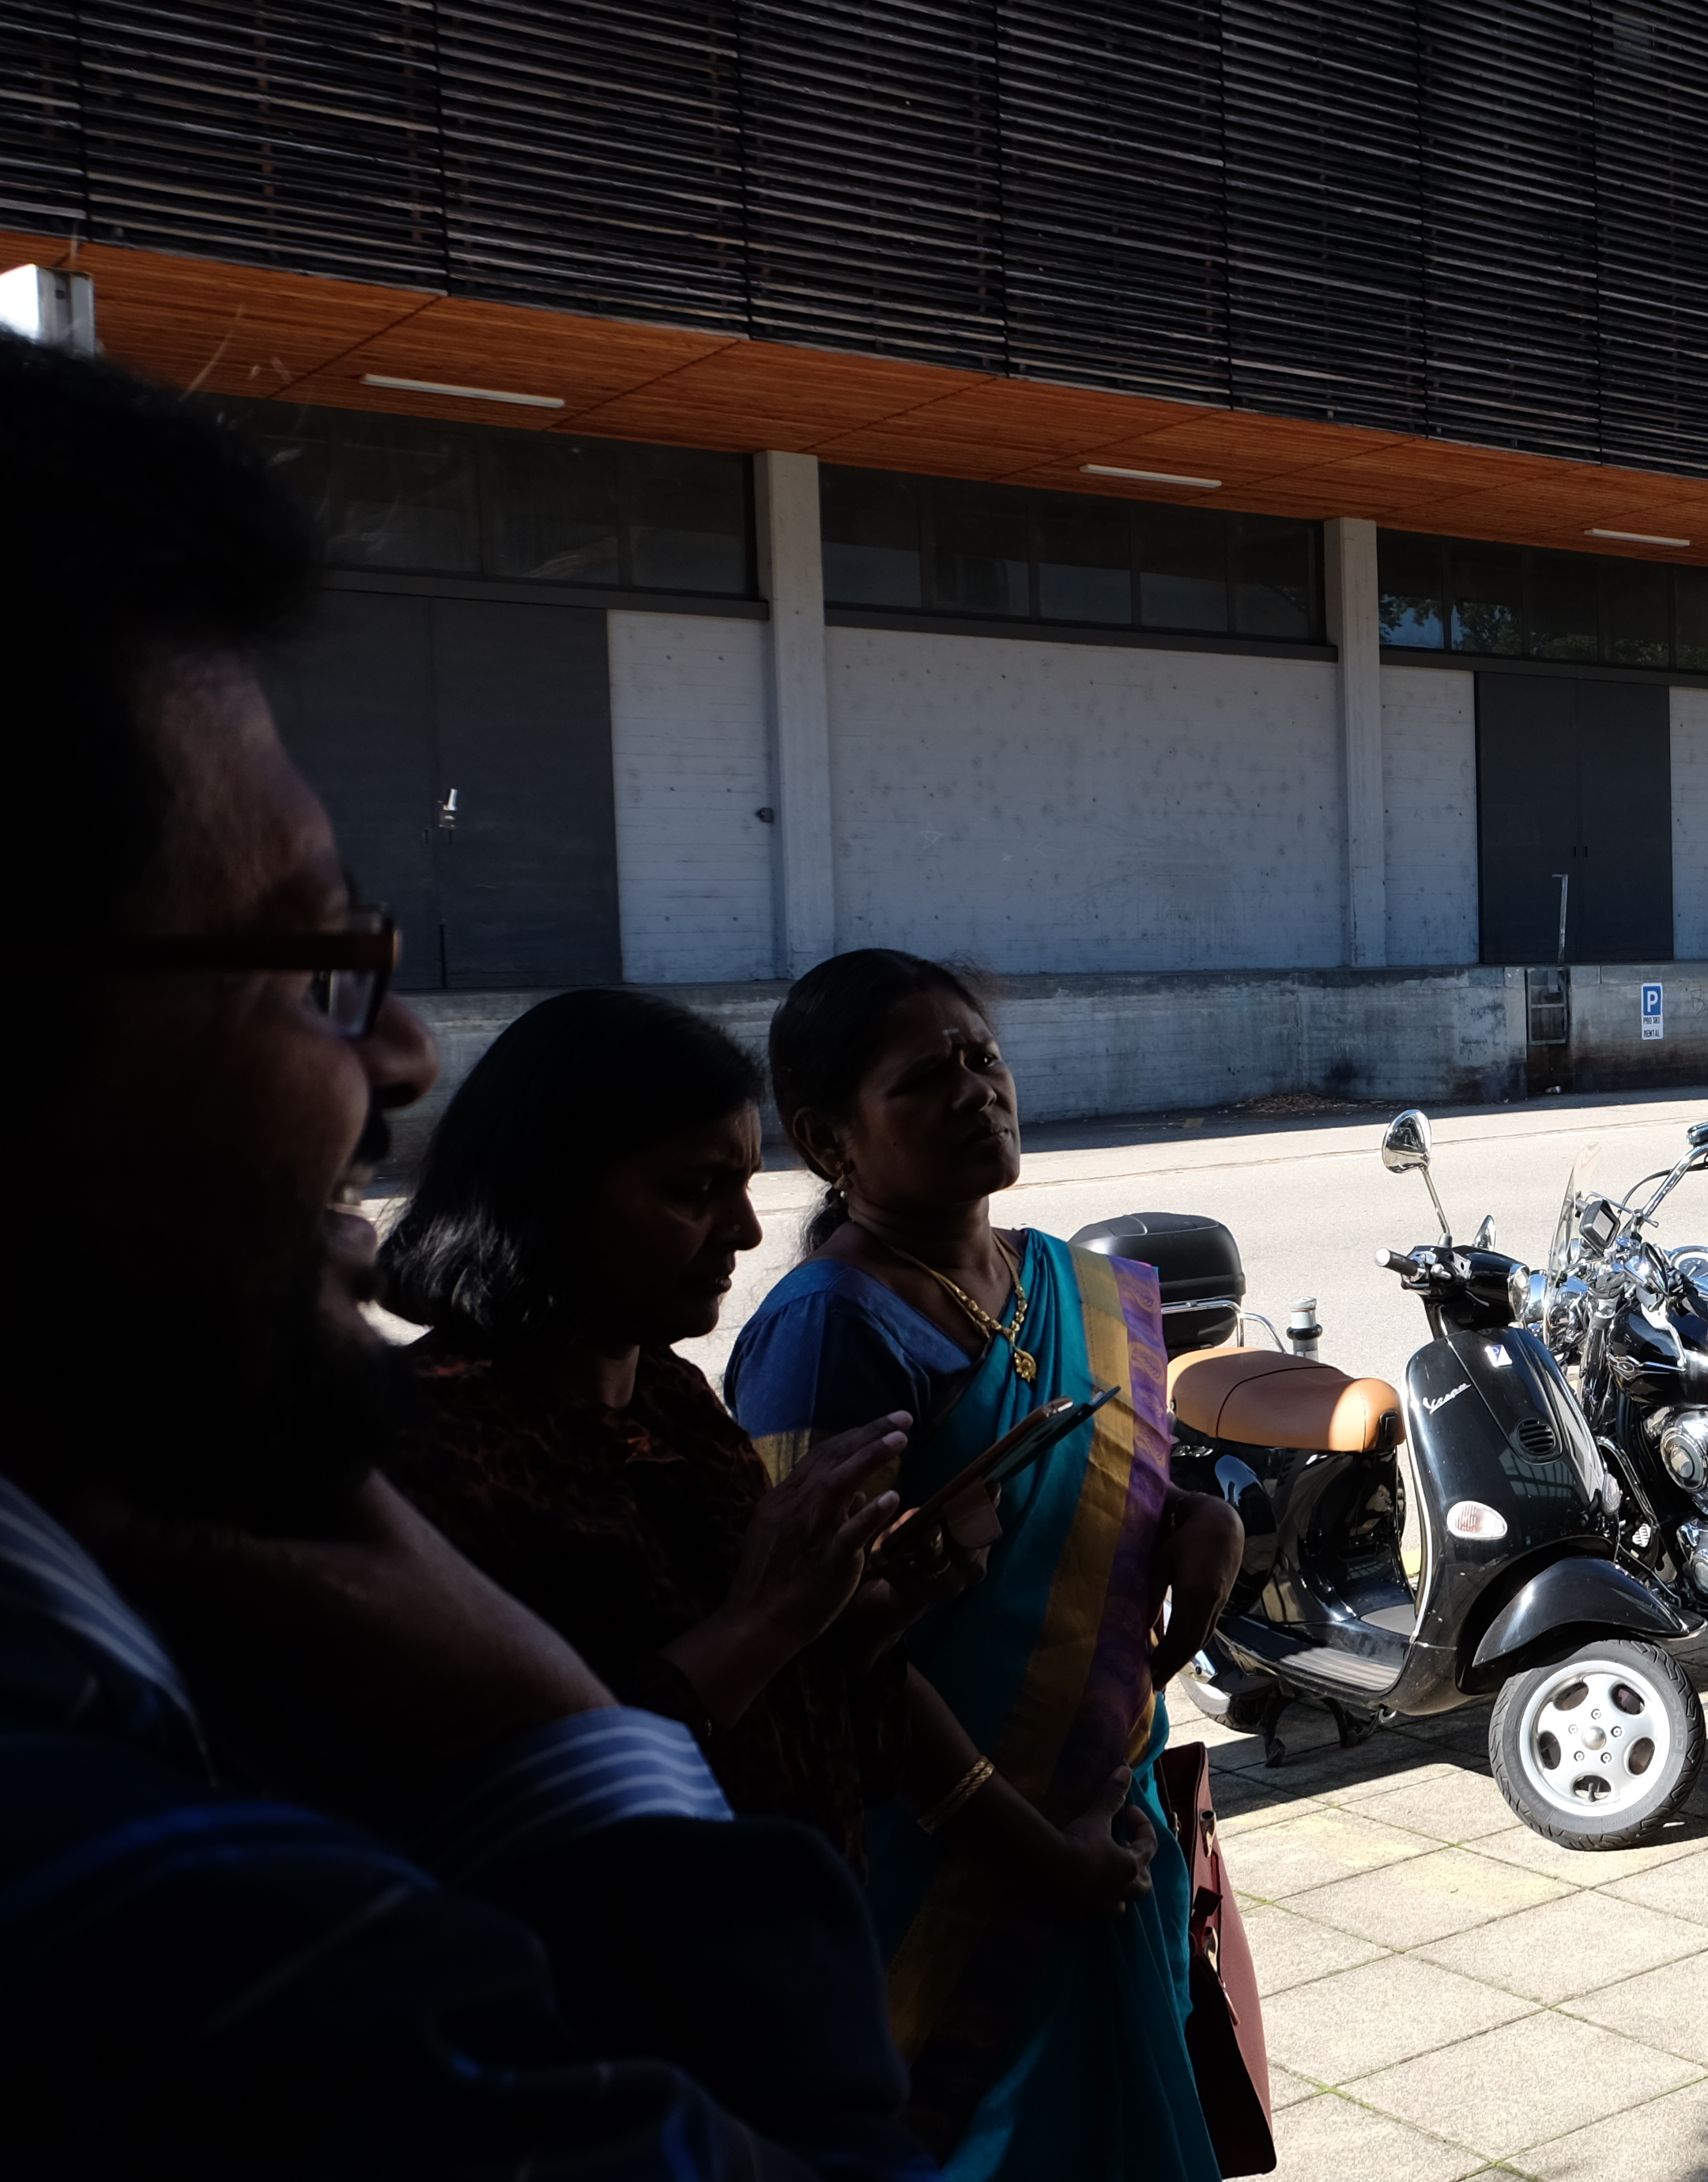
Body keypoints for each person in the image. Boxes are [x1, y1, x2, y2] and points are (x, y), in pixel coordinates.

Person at [0, 338, 923, 2171]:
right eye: (309, 962)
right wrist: (567, 1729)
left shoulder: (656, 1418)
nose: (404, 1055)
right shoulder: (150, 1929)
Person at [726, 949, 1242, 2180]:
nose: (975, 1090)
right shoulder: (825, 1330)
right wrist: (1027, 1850)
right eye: (924, 1077)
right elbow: (825, 1647)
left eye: (983, 1057)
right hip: (956, 1867)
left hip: (1108, 1829)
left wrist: (1198, 1516)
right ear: (828, 1139)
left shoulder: (1069, 1284)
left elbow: (1111, 1498)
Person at [380, 986, 941, 1861]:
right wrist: (762, 1623)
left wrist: (858, 1620)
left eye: (745, 1186)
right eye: (694, 1190)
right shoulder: (425, 1447)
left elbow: (797, 1731)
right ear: (548, 1194)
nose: (746, 1232)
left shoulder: (669, 1394)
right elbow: (511, 1810)